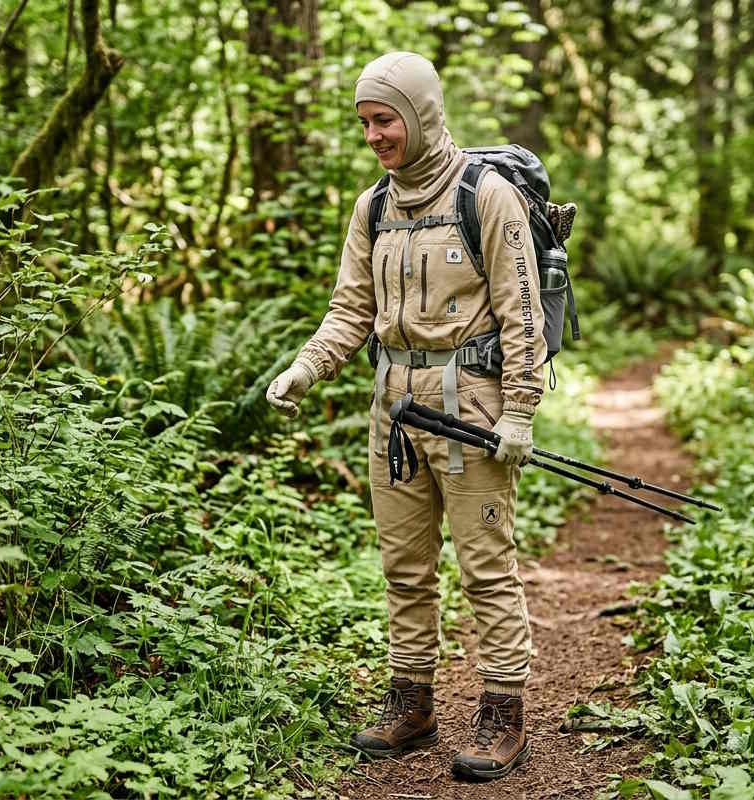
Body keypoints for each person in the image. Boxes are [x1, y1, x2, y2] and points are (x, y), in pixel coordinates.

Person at [265, 51, 544, 781]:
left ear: (419, 115)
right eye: (364, 123)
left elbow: (523, 315)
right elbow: (351, 308)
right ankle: (411, 702)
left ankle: (502, 711)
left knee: (486, 567)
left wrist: (519, 413)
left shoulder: (486, 197)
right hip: (392, 407)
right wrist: (308, 365)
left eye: (384, 120)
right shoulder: (374, 207)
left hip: (472, 410)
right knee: (405, 567)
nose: (374, 136)